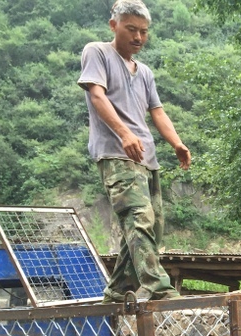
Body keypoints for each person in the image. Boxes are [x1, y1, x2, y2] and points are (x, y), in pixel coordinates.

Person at [78, 0, 191, 302]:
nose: (138, 37)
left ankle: (117, 291)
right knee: (139, 217)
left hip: (146, 157)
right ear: (113, 25)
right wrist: (125, 133)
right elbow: (97, 97)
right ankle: (157, 286)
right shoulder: (97, 52)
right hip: (115, 152)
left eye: (143, 31)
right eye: (131, 29)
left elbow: (158, 111)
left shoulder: (145, 72)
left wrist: (176, 142)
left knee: (150, 226)